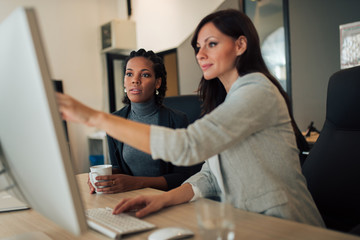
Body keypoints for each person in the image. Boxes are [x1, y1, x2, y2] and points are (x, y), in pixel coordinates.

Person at [57, 9, 324, 227]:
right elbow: (210, 173)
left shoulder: (257, 91)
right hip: (246, 222)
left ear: (241, 44)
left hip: (288, 226)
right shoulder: (226, 100)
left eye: (211, 44)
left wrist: (94, 117)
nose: (200, 54)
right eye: (198, 47)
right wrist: (163, 200)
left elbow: (188, 147)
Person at [88, 49, 202, 194]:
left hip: (166, 199)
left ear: (157, 83)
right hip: (130, 198)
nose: (135, 80)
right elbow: (118, 168)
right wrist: (99, 178)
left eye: (145, 75)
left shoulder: (177, 120)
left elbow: (183, 176)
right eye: (129, 74)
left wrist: (137, 183)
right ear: (124, 81)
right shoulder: (114, 121)